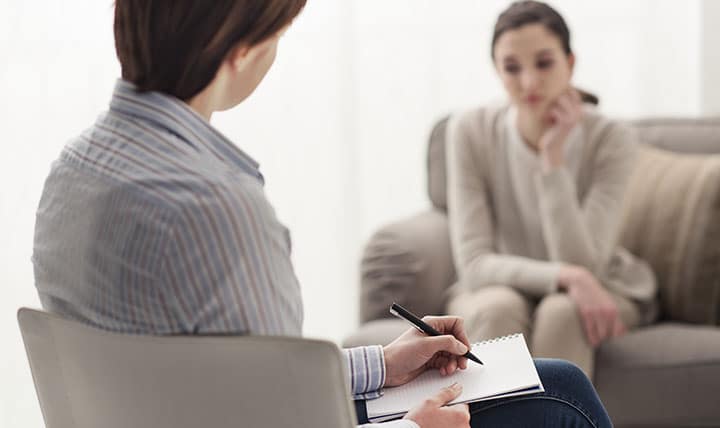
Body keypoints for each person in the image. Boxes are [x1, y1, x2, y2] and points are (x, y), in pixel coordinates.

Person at [32, 1, 612, 427]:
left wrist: (381, 366)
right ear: (242, 50)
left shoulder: (72, 171)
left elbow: (230, 381)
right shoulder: (220, 209)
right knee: (563, 391)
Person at [445, 0, 658, 380]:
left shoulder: (612, 139)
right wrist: (568, 277)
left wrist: (552, 160)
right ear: (497, 70)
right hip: (502, 285)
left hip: (600, 284)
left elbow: (585, 264)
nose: (529, 82)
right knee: (495, 307)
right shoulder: (469, 131)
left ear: (570, 63)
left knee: (563, 311)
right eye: (512, 68)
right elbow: (475, 263)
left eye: (544, 64)